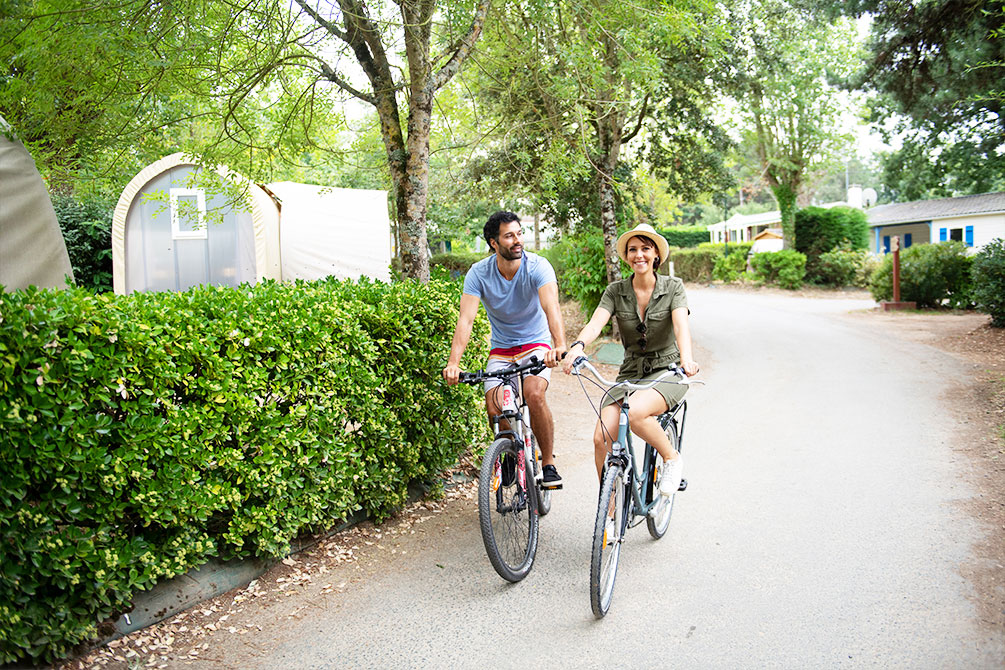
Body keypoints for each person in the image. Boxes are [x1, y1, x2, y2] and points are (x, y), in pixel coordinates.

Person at [562, 223, 698, 496]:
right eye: (632, 250)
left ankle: (671, 458)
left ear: (656, 254)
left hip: (668, 371)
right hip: (631, 372)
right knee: (602, 438)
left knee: (635, 413)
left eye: (645, 249)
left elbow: (681, 326)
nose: (639, 255)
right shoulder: (616, 291)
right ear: (626, 256)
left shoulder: (673, 287)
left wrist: (687, 360)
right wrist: (577, 346)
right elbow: (596, 321)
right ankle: (609, 508)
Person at [443, 211, 568, 487]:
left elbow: (551, 307)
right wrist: (454, 363)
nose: (517, 241)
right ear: (493, 243)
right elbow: (466, 319)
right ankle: (510, 452)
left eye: (519, 234)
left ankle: (547, 463)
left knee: (534, 395)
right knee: (494, 408)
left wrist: (559, 345)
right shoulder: (479, 274)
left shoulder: (537, 266)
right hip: (502, 350)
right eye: (509, 236)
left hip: (537, 344)